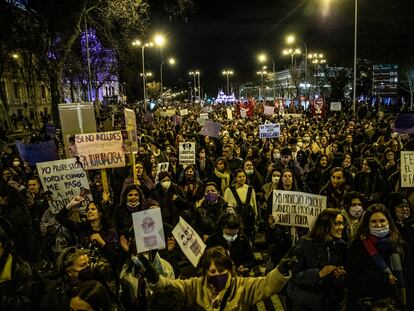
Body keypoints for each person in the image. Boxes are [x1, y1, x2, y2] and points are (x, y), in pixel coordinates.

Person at [142, 245, 295, 310]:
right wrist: (154, 278)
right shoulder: (195, 285)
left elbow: (267, 285)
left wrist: (280, 271)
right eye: (213, 272)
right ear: (205, 271)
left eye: (222, 271)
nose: (218, 275)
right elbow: (172, 287)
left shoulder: (242, 286)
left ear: (229, 269)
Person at [346, 204, 410, 311]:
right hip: (367, 304)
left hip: (395, 304)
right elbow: (352, 278)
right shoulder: (358, 245)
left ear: (388, 221)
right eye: (373, 222)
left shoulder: (400, 245)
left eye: (382, 220)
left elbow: (409, 276)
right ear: (367, 224)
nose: (379, 225)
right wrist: (381, 278)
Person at [287, 208, 347, 311]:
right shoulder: (304, 243)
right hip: (305, 303)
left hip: (330, 304)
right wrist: (318, 274)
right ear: (325, 225)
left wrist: (338, 275)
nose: (341, 227)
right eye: (337, 224)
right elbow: (292, 275)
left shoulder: (341, 245)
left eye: (342, 224)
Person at [205, 212, 255, 276]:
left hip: (238, 275)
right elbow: (206, 262)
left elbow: (250, 259)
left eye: (234, 234)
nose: (231, 237)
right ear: (222, 228)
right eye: (228, 234)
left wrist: (245, 266)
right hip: (218, 274)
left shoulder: (242, 238)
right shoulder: (212, 240)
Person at [223, 169, 258, 240]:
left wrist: (256, 219)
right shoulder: (229, 190)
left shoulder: (251, 189)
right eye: (239, 177)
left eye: (243, 176)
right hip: (236, 222)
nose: (242, 178)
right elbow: (225, 207)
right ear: (235, 178)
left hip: (249, 221)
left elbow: (254, 206)